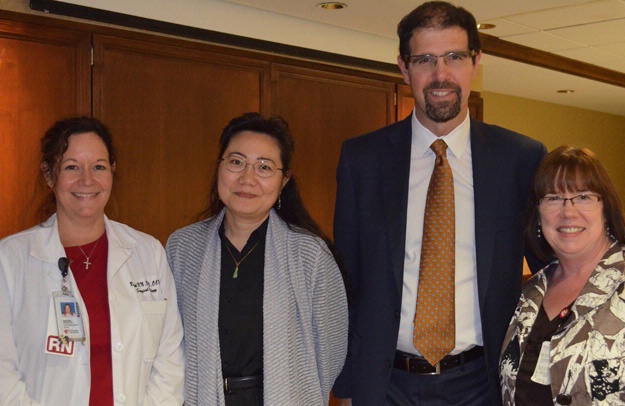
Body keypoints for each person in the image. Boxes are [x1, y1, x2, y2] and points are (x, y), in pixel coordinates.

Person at [331, 2, 547, 405]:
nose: (440, 74)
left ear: (475, 62)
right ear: (403, 67)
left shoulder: (520, 158)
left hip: (483, 384)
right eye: (425, 60)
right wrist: (345, 386)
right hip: (386, 384)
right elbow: (347, 281)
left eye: (453, 57)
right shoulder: (363, 160)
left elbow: (551, 271)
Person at [499, 146, 625, 405]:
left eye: (583, 197)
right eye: (553, 198)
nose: (568, 212)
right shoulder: (530, 293)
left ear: (606, 208)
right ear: (538, 215)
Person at [166, 112, 348, 406]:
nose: (247, 178)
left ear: (284, 179)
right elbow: (168, 344)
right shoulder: (182, 247)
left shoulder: (309, 255)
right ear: (219, 167)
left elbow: (331, 352)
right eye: (236, 162)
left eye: (264, 167)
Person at [0, 117, 185, 405]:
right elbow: (3, 373)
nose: (87, 180)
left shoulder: (148, 253)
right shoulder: (10, 260)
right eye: (72, 167)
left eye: (98, 166)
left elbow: (169, 360)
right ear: (49, 176)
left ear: (112, 172)